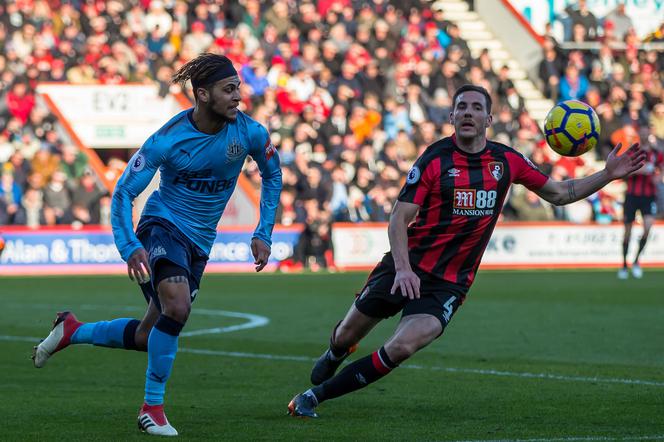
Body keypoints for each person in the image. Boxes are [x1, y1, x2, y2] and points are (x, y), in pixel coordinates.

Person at [287, 84, 645, 418]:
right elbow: (399, 219)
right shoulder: (434, 159)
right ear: (452, 117)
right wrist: (403, 268)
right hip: (405, 265)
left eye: (477, 108)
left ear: (489, 119)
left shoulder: (507, 161)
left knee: (402, 346)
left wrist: (607, 174)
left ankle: (314, 396)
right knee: (348, 333)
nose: (468, 113)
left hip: (450, 282)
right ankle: (335, 352)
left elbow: (560, 193)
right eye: (462, 107)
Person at [32, 53, 282, 436]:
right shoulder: (168, 139)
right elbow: (123, 193)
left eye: (238, 89)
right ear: (202, 94)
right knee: (177, 307)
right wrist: (129, 243)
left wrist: (263, 231)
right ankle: (152, 408)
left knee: (149, 335)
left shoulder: (251, 133)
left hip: (200, 242)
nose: (238, 97)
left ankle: (72, 330)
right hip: (161, 225)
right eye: (228, 89)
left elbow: (272, 176)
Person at [618, 128, 663, 279]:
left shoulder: (657, 153)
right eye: (642, 132)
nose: (644, 135)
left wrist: (659, 177)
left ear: (649, 134)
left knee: (648, 228)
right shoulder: (633, 151)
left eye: (646, 132)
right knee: (628, 231)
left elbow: (661, 169)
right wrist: (639, 170)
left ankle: (636, 261)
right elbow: (622, 171)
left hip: (649, 196)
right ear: (640, 134)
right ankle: (624, 265)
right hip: (632, 195)